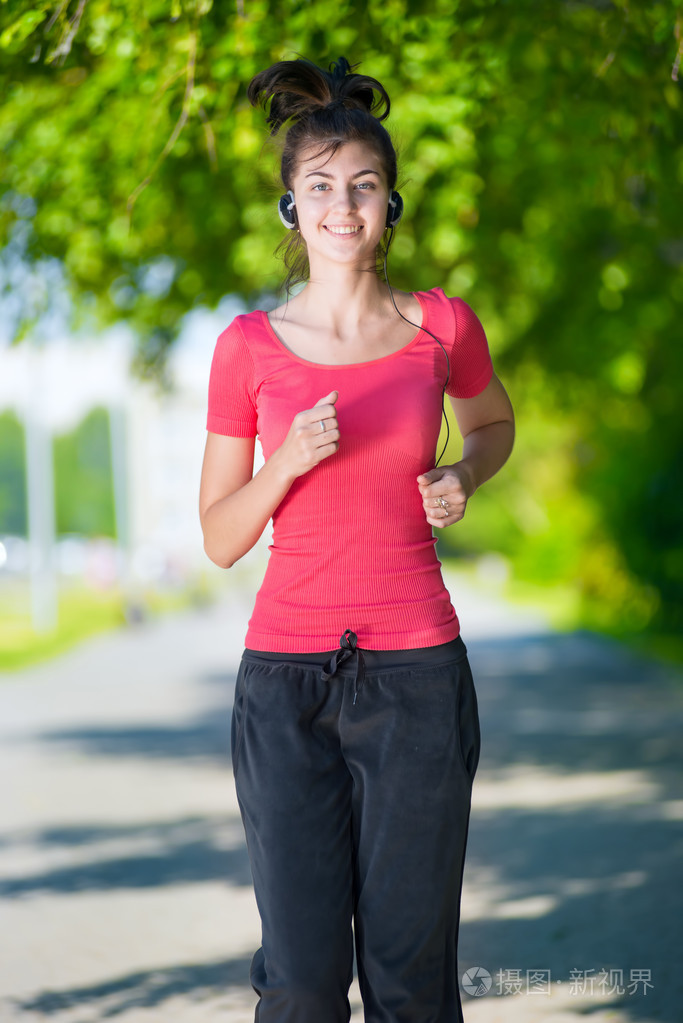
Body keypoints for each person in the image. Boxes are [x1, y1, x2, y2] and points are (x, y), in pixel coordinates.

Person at [200, 55, 514, 1023]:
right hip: (284, 686)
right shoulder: (245, 347)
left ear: (391, 205)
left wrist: (462, 472)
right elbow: (218, 535)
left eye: (364, 187)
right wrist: (287, 459)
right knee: (297, 988)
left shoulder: (439, 329)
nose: (344, 206)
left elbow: (494, 424)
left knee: (410, 986)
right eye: (321, 186)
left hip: (416, 681)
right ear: (291, 208)